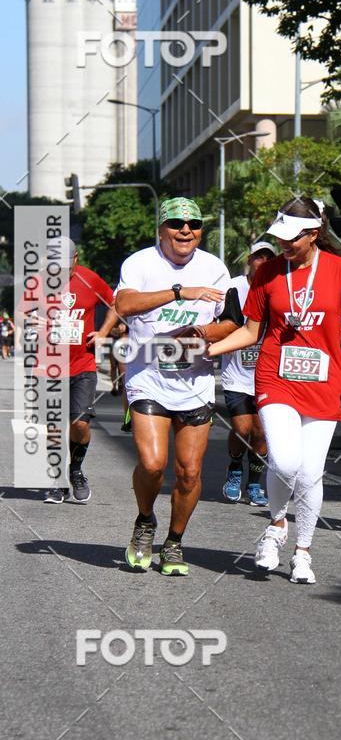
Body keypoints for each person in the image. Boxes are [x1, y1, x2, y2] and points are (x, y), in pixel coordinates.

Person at [207, 197, 341, 584]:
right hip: (275, 377)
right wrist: (210, 349)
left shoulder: (340, 270)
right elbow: (250, 331)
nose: (284, 244)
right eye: (281, 237)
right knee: (285, 461)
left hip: (324, 384)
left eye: (292, 238)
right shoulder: (268, 273)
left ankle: (303, 552)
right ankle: (275, 528)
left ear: (314, 234)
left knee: (309, 474)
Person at [115, 197, 242, 577]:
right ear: (161, 228)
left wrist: (199, 332)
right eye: (175, 224)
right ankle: (144, 521)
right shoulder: (140, 263)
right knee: (153, 465)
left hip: (195, 382)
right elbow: (124, 304)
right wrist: (178, 292)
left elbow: (233, 322)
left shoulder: (215, 268)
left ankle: (173, 542)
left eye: (194, 224)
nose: (186, 230)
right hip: (147, 377)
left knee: (188, 471)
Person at [15, 237, 120, 504]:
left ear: (75, 259)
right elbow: (21, 315)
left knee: (80, 424)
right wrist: (31, 323)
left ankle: (75, 469)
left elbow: (116, 304)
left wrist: (105, 331)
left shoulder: (90, 279)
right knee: (52, 427)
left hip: (82, 364)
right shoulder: (37, 282)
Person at [221, 241, 277, 506]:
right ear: (249, 260)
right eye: (258, 256)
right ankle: (234, 469)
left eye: (269, 256)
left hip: (268, 374)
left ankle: (254, 484)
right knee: (242, 428)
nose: (263, 261)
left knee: (263, 433)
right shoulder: (233, 287)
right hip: (236, 373)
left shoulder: (279, 286)